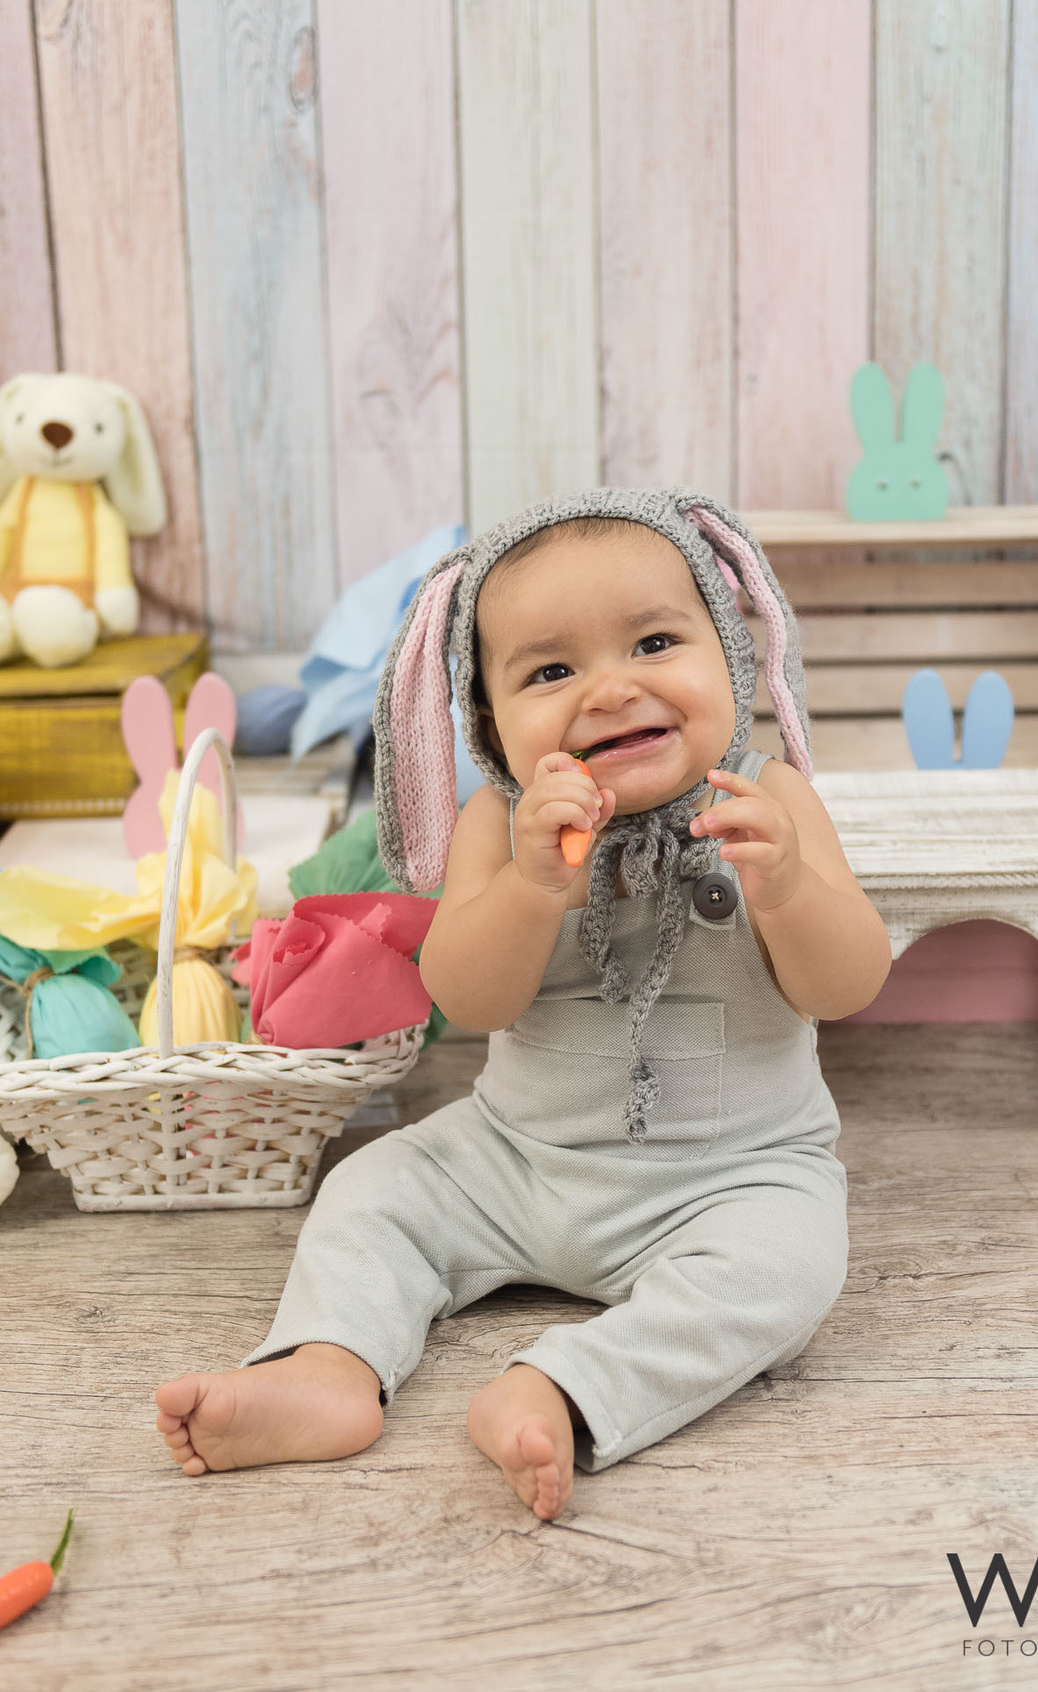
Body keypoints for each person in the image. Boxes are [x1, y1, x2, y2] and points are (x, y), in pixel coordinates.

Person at [155, 489, 892, 1521]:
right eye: (551, 669)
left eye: (653, 640)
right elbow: (468, 994)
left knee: (793, 1269)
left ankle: (565, 1386)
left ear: (727, 652)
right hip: (516, 1164)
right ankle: (328, 1366)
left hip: (735, 1176)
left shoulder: (770, 801)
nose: (610, 687)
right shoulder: (496, 822)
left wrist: (790, 891)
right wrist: (532, 887)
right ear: (489, 721)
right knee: (375, 1191)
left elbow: (849, 982)